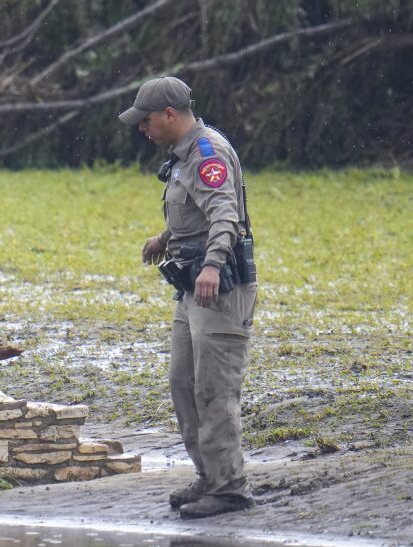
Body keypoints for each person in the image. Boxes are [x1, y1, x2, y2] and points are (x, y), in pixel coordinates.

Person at [118, 75, 258, 519]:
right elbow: (194, 211)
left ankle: (230, 487)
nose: (143, 129)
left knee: (215, 390)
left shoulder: (207, 153)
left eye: (146, 121)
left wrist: (214, 264)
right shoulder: (183, 156)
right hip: (192, 289)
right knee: (184, 384)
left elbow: (224, 216)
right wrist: (165, 238)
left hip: (218, 289)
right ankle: (209, 475)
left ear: (170, 115)